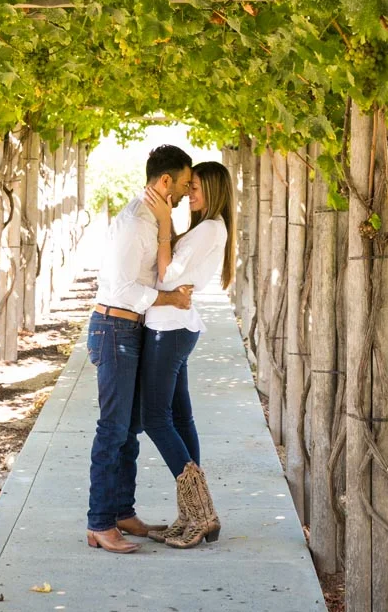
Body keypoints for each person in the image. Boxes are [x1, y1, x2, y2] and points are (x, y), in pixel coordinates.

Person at [86, 145, 194, 554]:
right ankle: (99, 523)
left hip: (129, 330)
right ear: (165, 181)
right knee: (112, 429)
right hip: (114, 328)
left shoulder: (153, 219)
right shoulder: (135, 222)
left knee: (129, 430)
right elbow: (127, 288)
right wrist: (172, 301)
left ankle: (121, 512)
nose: (186, 191)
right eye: (184, 183)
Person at [140, 160, 236, 549]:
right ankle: (194, 514)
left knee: (154, 418)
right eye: (189, 186)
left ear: (213, 192)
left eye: (195, 187)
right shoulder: (207, 229)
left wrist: (164, 224)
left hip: (169, 330)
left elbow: (165, 278)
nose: (188, 194)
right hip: (176, 328)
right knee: (180, 418)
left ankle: (200, 513)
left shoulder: (209, 229)